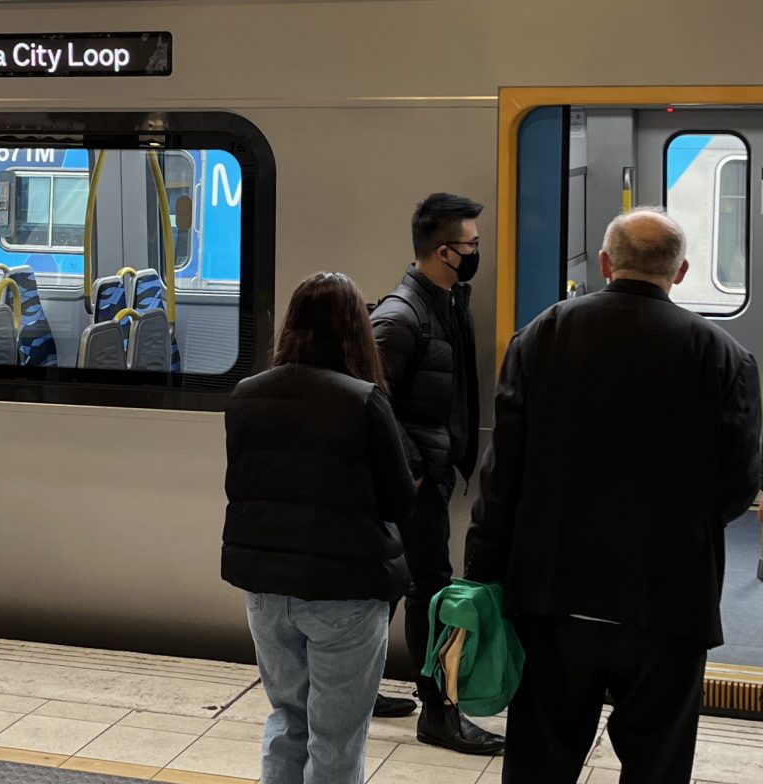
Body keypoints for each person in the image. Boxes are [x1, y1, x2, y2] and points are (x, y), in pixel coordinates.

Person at [465, 206, 762, 784]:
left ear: (604, 263)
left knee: (542, 758)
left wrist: (483, 569)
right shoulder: (726, 356)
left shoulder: (542, 335)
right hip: (670, 602)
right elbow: (738, 486)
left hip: (553, 595)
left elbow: (502, 475)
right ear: (680, 273)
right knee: (657, 764)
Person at [222, 272, 417, 784]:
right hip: (344, 593)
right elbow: (400, 500)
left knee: (287, 718)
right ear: (356, 328)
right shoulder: (362, 399)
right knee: (335, 736)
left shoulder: (245, 394)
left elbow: (243, 485)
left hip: (266, 590)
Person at [370, 193, 505, 754]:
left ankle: (363, 684)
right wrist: (419, 469)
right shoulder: (400, 317)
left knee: (395, 588)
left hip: (428, 475)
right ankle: (438, 713)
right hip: (412, 484)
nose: (477, 253)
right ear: (446, 252)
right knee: (429, 591)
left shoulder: (449, 302)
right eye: (472, 245)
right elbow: (373, 401)